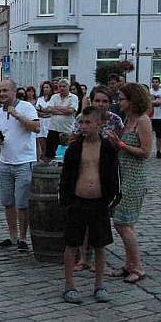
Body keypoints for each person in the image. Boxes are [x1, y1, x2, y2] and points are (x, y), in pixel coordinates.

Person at [60, 105, 121, 304]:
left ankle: (99, 284)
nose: (84, 126)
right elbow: (66, 176)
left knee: (100, 244)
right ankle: (69, 285)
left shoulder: (108, 148)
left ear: (99, 123)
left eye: (88, 122)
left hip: (99, 203)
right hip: (78, 201)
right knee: (71, 244)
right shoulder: (75, 149)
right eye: (81, 123)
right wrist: (66, 201)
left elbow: (114, 175)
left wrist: (112, 199)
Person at [106, 83, 153, 283]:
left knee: (122, 223)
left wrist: (121, 144)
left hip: (134, 177)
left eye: (122, 98)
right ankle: (128, 264)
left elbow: (146, 152)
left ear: (132, 100)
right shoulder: (128, 119)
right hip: (123, 174)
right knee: (126, 223)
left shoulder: (143, 121)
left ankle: (138, 267)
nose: (119, 102)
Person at [0, 79, 40, 251]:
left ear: (13, 91)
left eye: (5, 90)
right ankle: (12, 237)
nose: (2, 94)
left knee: (22, 204)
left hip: (23, 162)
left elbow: (36, 127)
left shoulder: (26, 107)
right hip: (5, 162)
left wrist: (17, 115)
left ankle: (23, 238)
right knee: (7, 202)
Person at [43, 79, 79, 162]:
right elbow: (49, 109)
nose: (62, 88)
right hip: (53, 128)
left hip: (66, 129)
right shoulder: (54, 97)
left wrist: (56, 108)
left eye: (64, 86)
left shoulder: (74, 97)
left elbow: (71, 111)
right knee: (50, 151)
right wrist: (65, 109)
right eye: (60, 86)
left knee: (68, 151)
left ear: (68, 87)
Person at [35, 81, 53, 162]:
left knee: (49, 139)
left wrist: (45, 111)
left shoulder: (53, 98)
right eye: (44, 87)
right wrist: (44, 113)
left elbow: (52, 110)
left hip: (50, 121)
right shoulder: (39, 99)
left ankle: (48, 157)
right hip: (41, 121)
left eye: (47, 87)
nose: (45, 89)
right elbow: (37, 110)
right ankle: (43, 156)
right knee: (41, 139)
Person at [150, 76, 161, 158]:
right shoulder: (149, 91)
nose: (155, 83)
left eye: (156, 82)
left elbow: (160, 102)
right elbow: (148, 102)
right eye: (153, 82)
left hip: (160, 116)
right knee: (148, 134)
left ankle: (158, 151)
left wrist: (153, 102)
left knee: (159, 135)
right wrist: (155, 102)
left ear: (159, 83)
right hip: (150, 116)